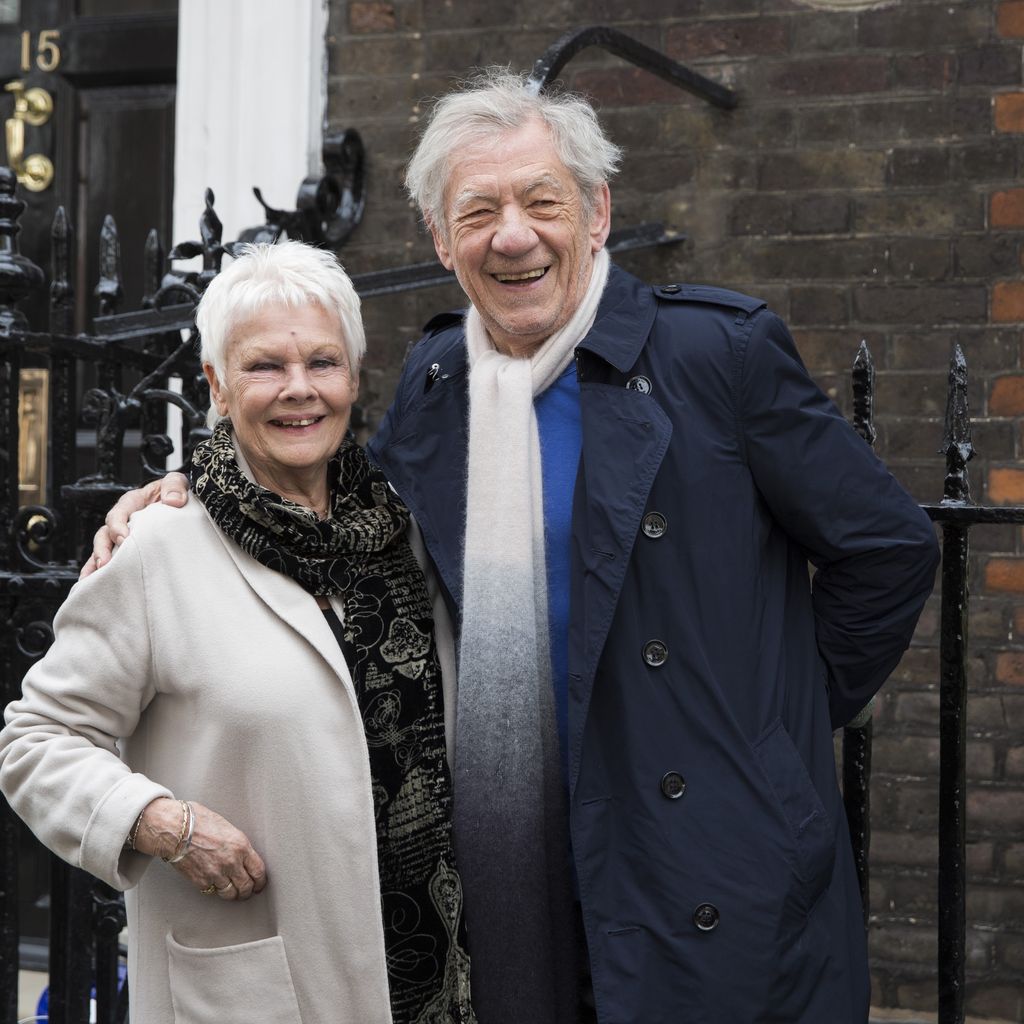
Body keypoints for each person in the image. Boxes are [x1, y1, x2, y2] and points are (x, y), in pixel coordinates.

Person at [87, 72, 940, 1024]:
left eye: (542, 201)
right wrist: (189, 494)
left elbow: (889, 547)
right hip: (516, 862)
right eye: (479, 211)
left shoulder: (716, 356)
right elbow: (341, 517)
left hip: (707, 860)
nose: (514, 235)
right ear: (441, 240)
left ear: (597, 210)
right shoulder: (441, 379)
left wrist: (769, 726)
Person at [1, 241, 475, 1024]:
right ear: (217, 386)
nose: (299, 390)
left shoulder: (406, 532)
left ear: (354, 378)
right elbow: (35, 740)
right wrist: (162, 824)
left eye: (323, 362)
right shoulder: (159, 545)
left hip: (433, 973)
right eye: (264, 367)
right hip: (261, 987)